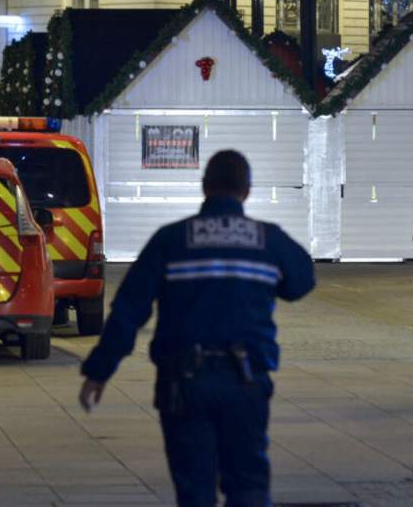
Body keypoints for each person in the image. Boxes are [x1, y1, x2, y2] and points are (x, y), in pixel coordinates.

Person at [78, 150, 315, 506]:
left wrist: (100, 371)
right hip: (245, 382)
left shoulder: (171, 239)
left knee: (194, 491)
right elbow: (301, 282)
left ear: (205, 187)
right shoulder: (267, 239)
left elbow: (129, 309)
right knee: (248, 486)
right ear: (246, 190)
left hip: (183, 385)